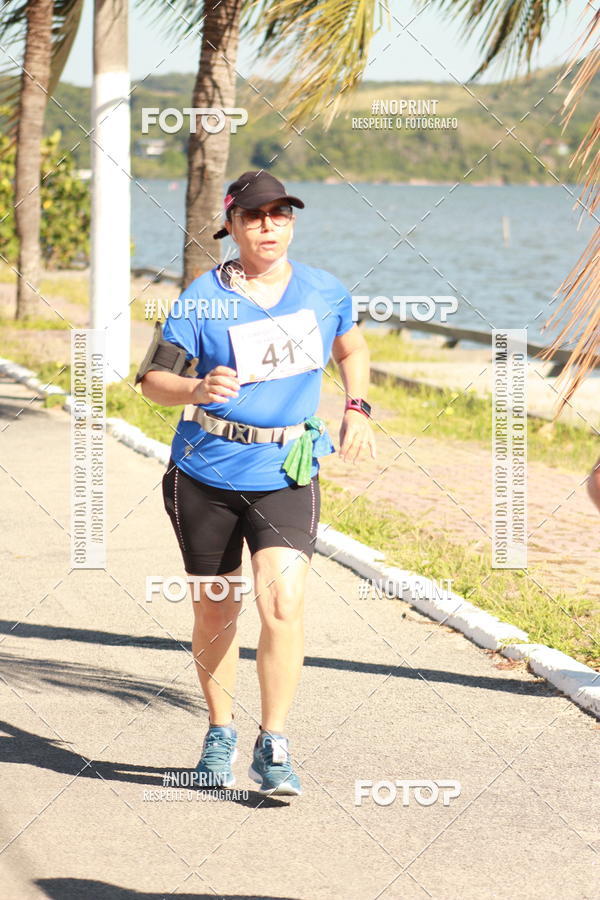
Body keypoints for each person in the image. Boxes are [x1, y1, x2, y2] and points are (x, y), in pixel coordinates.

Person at [137, 170, 375, 796]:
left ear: (291, 223)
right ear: (232, 226)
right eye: (254, 216)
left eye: (280, 214)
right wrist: (195, 387)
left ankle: (274, 744)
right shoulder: (202, 298)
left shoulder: (323, 290)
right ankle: (220, 733)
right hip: (206, 473)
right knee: (217, 610)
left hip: (286, 471)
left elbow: (352, 349)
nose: (269, 226)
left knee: (284, 603)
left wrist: (357, 408)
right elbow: (153, 382)